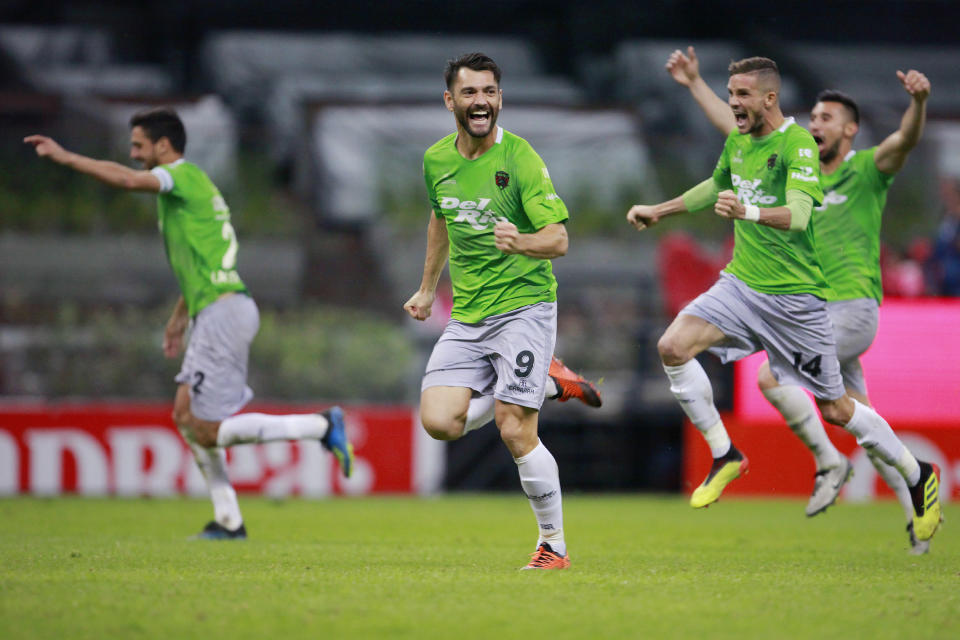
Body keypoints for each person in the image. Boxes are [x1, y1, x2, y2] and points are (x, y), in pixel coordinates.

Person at [626, 56, 941, 545]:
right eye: (730, 94)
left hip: (798, 304)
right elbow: (717, 185)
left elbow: (796, 216)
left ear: (769, 99)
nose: (734, 103)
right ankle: (725, 453)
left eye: (742, 95)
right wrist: (660, 211)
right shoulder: (739, 138)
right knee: (673, 346)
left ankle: (915, 474)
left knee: (838, 410)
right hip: (742, 285)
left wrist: (746, 210)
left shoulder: (800, 148)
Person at [25, 108, 355, 540]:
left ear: (164, 146)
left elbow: (126, 180)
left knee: (208, 429)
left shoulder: (180, 175)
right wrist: (178, 319)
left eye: (139, 145)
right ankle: (228, 520)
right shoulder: (193, 189)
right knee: (185, 415)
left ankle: (321, 425)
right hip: (216, 309)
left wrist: (67, 158)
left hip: (223, 313)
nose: (133, 153)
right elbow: (202, 263)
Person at [404, 52, 594, 570]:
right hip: (468, 314)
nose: (480, 101)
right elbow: (441, 220)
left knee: (514, 427)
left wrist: (522, 242)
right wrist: (426, 289)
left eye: (489, 91)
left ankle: (552, 545)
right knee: (440, 422)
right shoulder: (436, 160)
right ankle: (545, 383)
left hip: (525, 308)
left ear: (500, 98)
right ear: (450, 101)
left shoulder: (522, 159)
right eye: (469, 93)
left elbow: (559, 239)